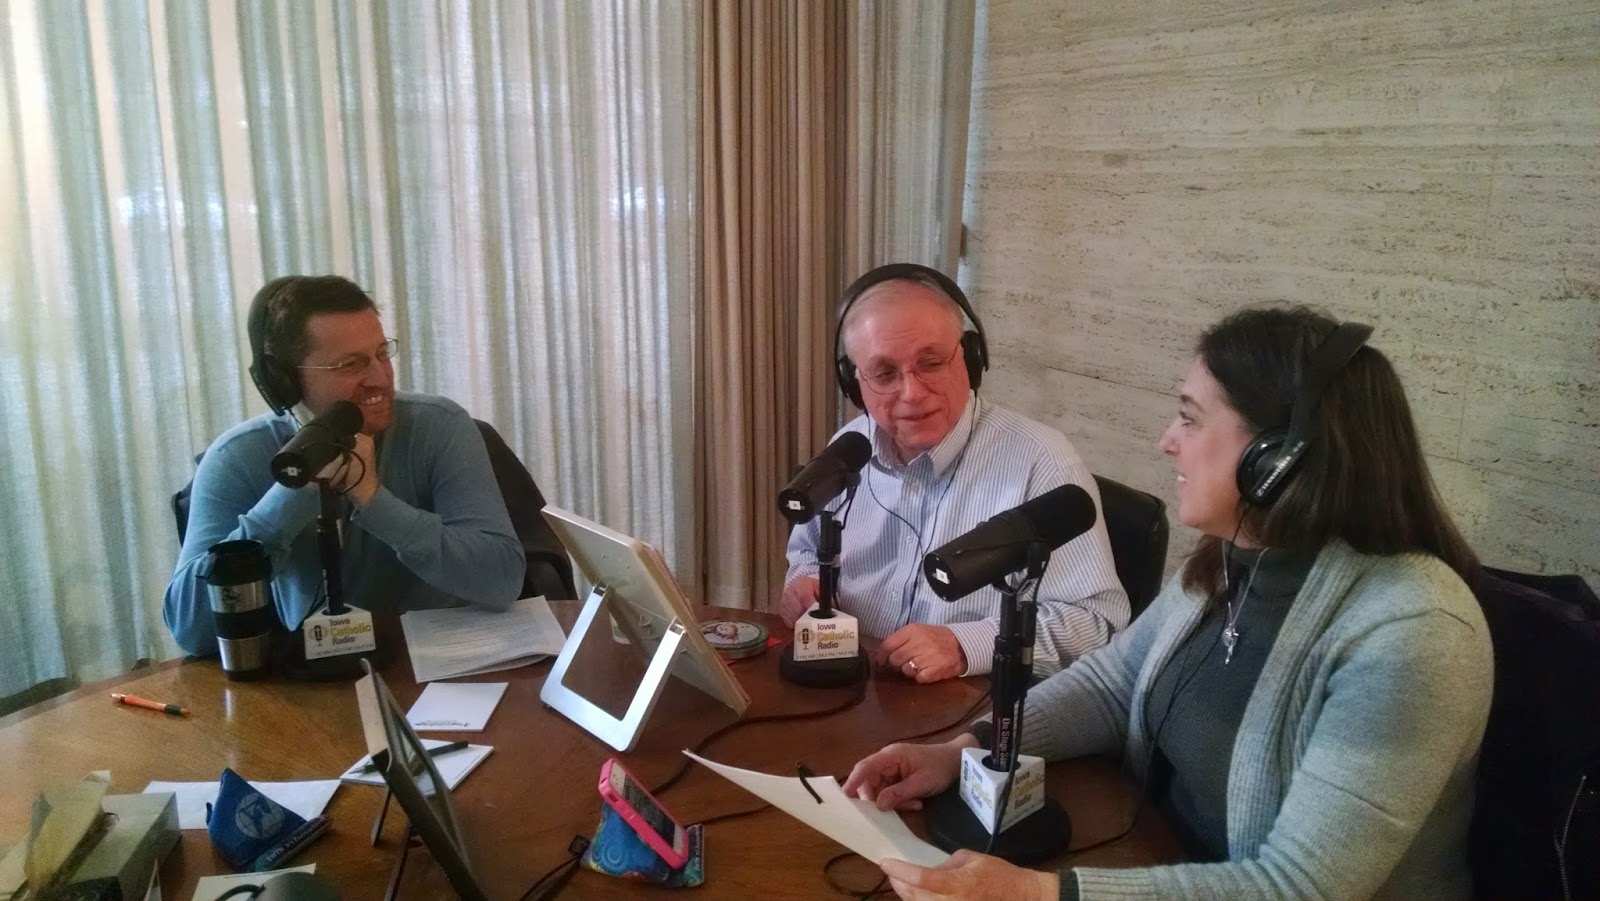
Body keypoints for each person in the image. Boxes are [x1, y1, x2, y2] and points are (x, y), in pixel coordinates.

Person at [844, 306, 1493, 901]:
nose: (1166, 441)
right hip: (1150, 858)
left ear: (1276, 459)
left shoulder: (1413, 634)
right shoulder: (1226, 563)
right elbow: (1110, 685)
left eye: (1190, 417)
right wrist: (963, 750)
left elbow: (1299, 887)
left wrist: (1038, 895)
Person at [782, 264, 1128, 682]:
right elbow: (807, 549)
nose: (912, 393)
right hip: (853, 682)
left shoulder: (1041, 460)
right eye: (884, 373)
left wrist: (965, 645)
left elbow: (1097, 624)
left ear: (970, 358)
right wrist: (804, 580)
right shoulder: (851, 447)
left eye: (931, 363)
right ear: (853, 383)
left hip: (965, 704)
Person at [164, 275, 525, 656]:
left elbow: (502, 580)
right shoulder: (236, 457)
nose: (380, 378)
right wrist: (288, 500)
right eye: (351, 364)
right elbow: (190, 630)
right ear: (285, 380)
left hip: (436, 667)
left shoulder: (441, 427)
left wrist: (374, 500)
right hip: (310, 675)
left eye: (382, 354)